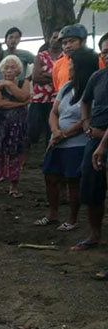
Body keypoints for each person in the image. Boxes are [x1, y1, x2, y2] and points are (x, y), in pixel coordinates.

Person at [36, 48, 100, 230]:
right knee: (50, 176)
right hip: (57, 140)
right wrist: (55, 131)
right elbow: (54, 112)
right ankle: (53, 213)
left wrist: (64, 135)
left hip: (77, 143)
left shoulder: (93, 89)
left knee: (73, 181)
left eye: (71, 65)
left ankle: (72, 218)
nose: (68, 68)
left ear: (81, 67)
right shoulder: (66, 88)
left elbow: (86, 120)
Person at [73, 34, 108, 251]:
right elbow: (85, 101)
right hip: (94, 140)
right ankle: (94, 235)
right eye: (104, 52)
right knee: (91, 189)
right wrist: (85, 123)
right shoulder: (98, 76)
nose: (107, 55)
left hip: (104, 142)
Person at [0, 55, 31, 200]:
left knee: (16, 157)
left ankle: (14, 187)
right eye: (6, 67)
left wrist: (10, 86)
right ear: (1, 70)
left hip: (18, 127)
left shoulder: (24, 82)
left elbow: (24, 96)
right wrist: (19, 104)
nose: (9, 70)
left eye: (12, 67)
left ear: (19, 70)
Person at [29, 29, 64, 144]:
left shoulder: (65, 57)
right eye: (54, 37)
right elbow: (36, 77)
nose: (56, 40)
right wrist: (56, 76)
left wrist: (47, 74)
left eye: (59, 38)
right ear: (50, 39)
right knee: (33, 129)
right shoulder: (41, 56)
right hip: (39, 98)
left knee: (51, 130)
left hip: (56, 99)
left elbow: (65, 79)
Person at [53, 24, 89, 92]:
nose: (68, 46)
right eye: (64, 43)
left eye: (72, 41)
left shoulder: (97, 60)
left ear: (83, 42)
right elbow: (58, 89)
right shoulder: (58, 64)